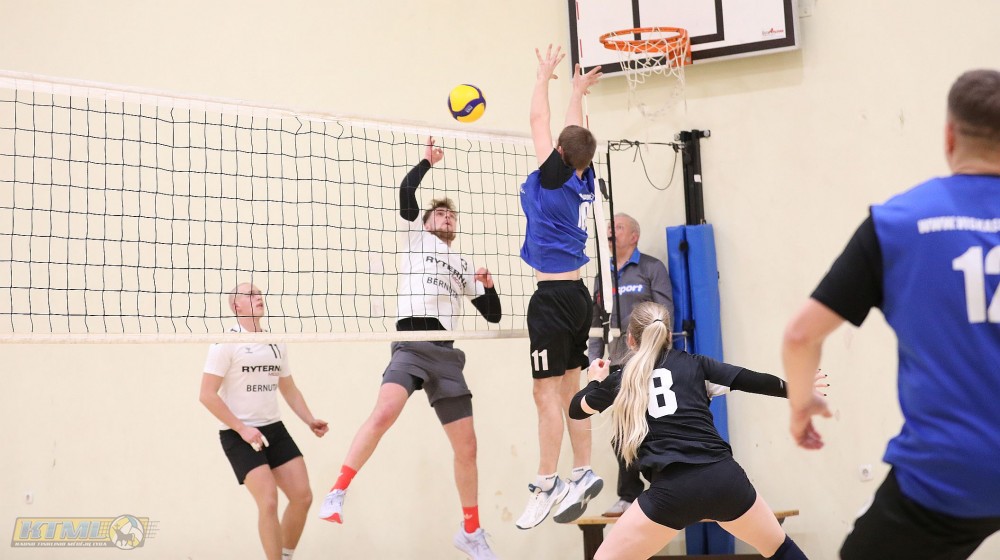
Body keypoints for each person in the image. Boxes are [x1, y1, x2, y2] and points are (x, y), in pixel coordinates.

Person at [782, 69, 1000, 560]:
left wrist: (800, 403)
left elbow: (800, 335)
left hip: (946, 476)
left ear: (949, 136)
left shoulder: (899, 222)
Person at [318, 138, 502, 560]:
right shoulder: (416, 240)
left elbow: (492, 315)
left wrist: (489, 287)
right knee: (384, 412)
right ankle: (338, 491)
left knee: (467, 447)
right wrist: (426, 161)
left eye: (451, 215)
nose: (447, 217)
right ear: (425, 222)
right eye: (440, 213)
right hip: (411, 346)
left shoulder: (462, 262)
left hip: (446, 354)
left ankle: (471, 531)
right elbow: (406, 192)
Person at [569, 302, 810, 560]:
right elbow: (750, 379)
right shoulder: (697, 365)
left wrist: (595, 380)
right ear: (668, 335)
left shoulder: (623, 378)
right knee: (781, 549)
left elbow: (576, 409)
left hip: (672, 492)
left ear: (630, 339)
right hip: (723, 479)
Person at [515, 44, 605, 530]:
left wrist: (542, 78)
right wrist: (576, 92)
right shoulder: (581, 178)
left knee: (543, 393)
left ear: (561, 155)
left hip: (550, 300)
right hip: (578, 298)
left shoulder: (550, 180)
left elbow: (538, 119)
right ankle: (582, 469)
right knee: (572, 387)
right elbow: (574, 134)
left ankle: (546, 482)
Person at [199, 283, 329, 560]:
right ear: (236, 306)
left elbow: (289, 389)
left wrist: (309, 419)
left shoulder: (275, 341)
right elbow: (206, 395)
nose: (258, 297)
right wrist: (242, 428)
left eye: (259, 293)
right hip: (238, 434)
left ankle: (285, 555)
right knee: (269, 501)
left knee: (303, 497)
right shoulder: (225, 343)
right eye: (250, 294)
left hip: (274, 429)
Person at [588, 212, 674, 517]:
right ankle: (629, 494)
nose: (611, 231)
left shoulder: (651, 268)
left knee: (655, 426)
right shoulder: (602, 275)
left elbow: (665, 313)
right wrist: (593, 362)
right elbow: (596, 322)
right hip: (617, 364)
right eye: (608, 227)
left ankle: (665, 489)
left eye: (618, 227)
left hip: (649, 362)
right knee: (621, 431)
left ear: (634, 236)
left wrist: (661, 354)